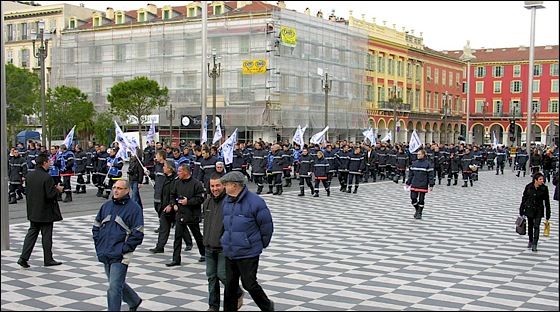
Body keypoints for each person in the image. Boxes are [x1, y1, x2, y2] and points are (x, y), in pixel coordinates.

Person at [220, 171, 275, 311]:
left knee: (249, 284)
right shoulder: (226, 200)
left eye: (225, 184)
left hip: (248, 251)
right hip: (230, 250)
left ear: (234, 185)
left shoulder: (255, 202)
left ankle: (267, 306)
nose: (223, 187)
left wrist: (259, 244)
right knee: (230, 285)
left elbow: (266, 226)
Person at [92, 179, 144, 311]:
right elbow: (96, 226)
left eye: (119, 188)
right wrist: (99, 245)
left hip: (120, 254)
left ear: (127, 190)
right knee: (116, 283)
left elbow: (138, 233)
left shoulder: (134, 209)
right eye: (115, 187)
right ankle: (134, 301)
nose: (115, 190)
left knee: (114, 287)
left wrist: (124, 249)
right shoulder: (106, 206)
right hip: (105, 251)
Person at [203, 173, 244, 311]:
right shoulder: (208, 202)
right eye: (212, 186)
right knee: (211, 276)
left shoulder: (229, 201)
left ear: (223, 185)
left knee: (222, 274)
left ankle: (237, 291)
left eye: (218, 185)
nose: (215, 189)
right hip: (208, 245)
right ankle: (213, 306)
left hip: (223, 247)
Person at [17, 154, 64, 268]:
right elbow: (50, 195)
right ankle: (48, 259)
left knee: (31, 234)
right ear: (44, 163)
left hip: (33, 210)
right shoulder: (47, 177)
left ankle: (23, 257)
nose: (50, 163)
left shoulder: (29, 176)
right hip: (46, 211)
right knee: (46, 236)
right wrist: (58, 190)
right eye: (48, 161)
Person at [167, 163, 206, 266]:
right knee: (177, 237)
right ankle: (176, 259)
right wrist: (173, 204)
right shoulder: (177, 182)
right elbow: (172, 195)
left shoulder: (196, 184)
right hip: (180, 213)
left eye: (180, 171)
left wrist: (188, 202)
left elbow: (201, 198)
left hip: (192, 214)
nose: (178, 173)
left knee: (197, 235)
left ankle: (204, 254)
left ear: (186, 172)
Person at [519, 172, 551, 252]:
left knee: (536, 226)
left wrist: (548, 214)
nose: (542, 181)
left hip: (539, 210)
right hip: (529, 209)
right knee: (530, 226)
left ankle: (535, 243)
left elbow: (547, 202)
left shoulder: (544, 188)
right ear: (535, 180)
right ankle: (530, 240)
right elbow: (524, 198)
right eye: (540, 179)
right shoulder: (529, 187)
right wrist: (521, 210)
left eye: (542, 179)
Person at [406, 149, 435, 220]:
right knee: (413, 198)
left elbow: (431, 175)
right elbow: (411, 174)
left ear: (423, 155)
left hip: (423, 184)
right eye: (417, 154)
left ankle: (419, 213)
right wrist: (408, 183)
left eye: (419, 154)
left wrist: (431, 185)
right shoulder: (414, 163)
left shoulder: (427, 164)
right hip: (414, 183)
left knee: (421, 199)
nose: (417, 155)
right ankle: (417, 209)